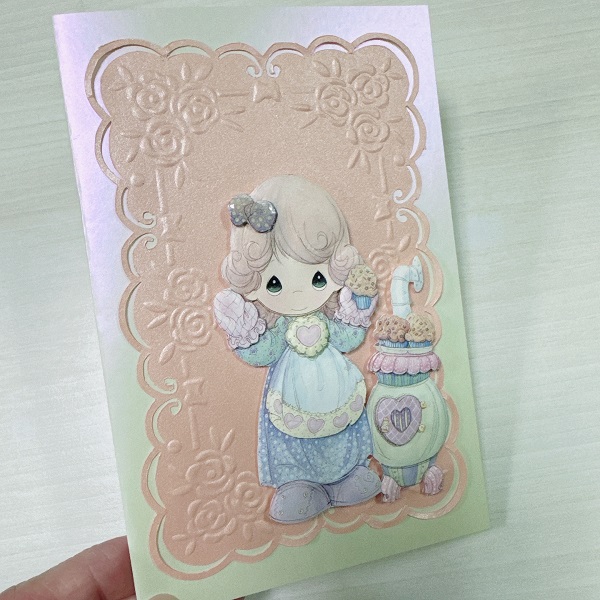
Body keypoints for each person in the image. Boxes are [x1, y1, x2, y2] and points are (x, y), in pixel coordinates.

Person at [214, 175, 381, 524]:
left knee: (342, 428)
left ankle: (345, 475)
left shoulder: (329, 318)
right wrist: (243, 330)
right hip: (291, 396)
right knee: (292, 435)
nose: (301, 293)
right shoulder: (279, 330)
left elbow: (348, 340)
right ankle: (299, 483)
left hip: (336, 389)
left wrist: (359, 307)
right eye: (274, 283)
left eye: (317, 278)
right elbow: (261, 354)